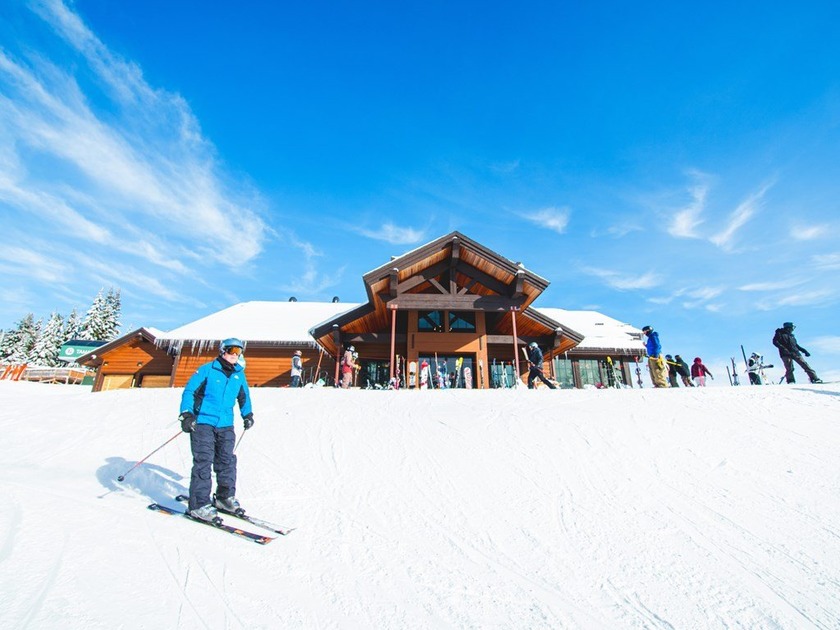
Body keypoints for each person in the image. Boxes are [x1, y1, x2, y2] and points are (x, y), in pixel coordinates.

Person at [178, 337, 254, 522]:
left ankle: (224, 498)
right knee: (203, 461)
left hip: (226, 424)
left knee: (227, 461)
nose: (235, 355)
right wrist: (187, 414)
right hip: (203, 422)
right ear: (223, 351)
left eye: (239, 351)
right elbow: (189, 391)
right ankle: (198, 505)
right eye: (232, 350)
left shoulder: (239, 374)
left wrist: (247, 414)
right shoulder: (207, 370)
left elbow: (244, 396)